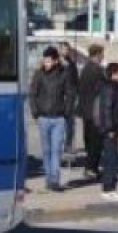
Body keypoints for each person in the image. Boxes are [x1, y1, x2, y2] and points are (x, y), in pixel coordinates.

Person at [29, 46, 75, 192]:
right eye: (45, 60)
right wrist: (35, 113)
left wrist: (66, 112)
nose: (46, 63)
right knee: (46, 151)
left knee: (56, 150)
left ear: (55, 61)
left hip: (58, 118)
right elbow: (32, 94)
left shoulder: (63, 74)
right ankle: (48, 179)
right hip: (43, 118)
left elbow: (70, 94)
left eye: (49, 61)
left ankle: (55, 180)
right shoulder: (39, 74)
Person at [96, 62, 118, 202]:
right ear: (114, 73)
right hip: (110, 130)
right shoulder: (110, 87)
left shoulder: (111, 86)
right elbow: (107, 110)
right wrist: (110, 129)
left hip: (112, 128)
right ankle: (108, 189)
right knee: (111, 159)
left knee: (112, 158)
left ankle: (111, 187)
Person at [78, 43, 106, 180]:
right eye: (102, 53)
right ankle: (91, 168)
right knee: (96, 142)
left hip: (85, 110)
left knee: (89, 140)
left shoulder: (85, 69)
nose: (103, 56)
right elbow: (102, 90)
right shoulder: (98, 71)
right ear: (98, 54)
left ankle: (89, 167)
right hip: (95, 111)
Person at [58, 42, 80, 156]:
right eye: (64, 49)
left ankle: (68, 145)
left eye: (67, 49)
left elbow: (76, 80)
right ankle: (58, 145)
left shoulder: (72, 63)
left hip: (71, 97)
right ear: (60, 50)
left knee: (70, 123)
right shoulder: (56, 63)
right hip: (59, 98)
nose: (66, 51)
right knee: (59, 123)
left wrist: (76, 94)